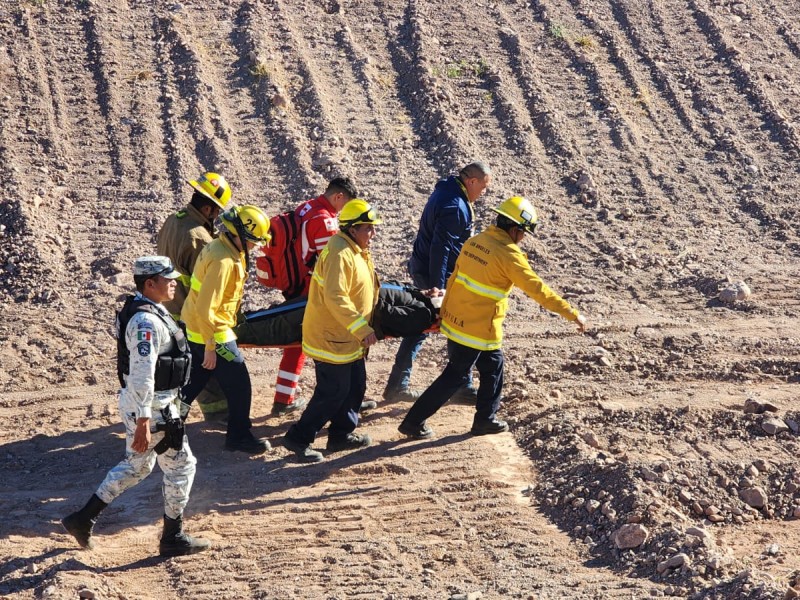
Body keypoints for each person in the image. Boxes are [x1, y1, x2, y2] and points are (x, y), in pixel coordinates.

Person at [398, 196, 587, 439]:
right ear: (515, 229)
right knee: (454, 376)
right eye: (524, 233)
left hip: (459, 319)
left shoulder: (476, 241)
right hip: (477, 327)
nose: (523, 238)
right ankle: (413, 422)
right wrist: (572, 314)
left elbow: (454, 278)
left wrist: (444, 314)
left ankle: (485, 419)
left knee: (493, 365)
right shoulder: (509, 255)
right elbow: (539, 290)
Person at [62, 256, 209, 556]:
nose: (174, 282)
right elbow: (143, 374)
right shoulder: (146, 322)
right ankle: (172, 537)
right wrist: (144, 420)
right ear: (149, 283)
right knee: (182, 467)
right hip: (152, 407)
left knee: (137, 466)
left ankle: (82, 519)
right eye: (167, 278)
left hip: (144, 404)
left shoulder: (147, 311)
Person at [383, 161, 492, 404]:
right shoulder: (455, 205)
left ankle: (455, 384)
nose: (482, 194)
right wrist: (438, 286)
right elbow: (440, 248)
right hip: (434, 274)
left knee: (432, 326)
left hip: (426, 267)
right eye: (483, 188)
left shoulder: (446, 191)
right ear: (472, 181)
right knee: (434, 326)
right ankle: (402, 386)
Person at [282, 199, 382, 463]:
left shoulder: (355, 249)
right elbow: (336, 296)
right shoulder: (339, 253)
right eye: (368, 228)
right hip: (332, 337)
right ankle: (298, 438)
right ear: (352, 229)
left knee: (355, 387)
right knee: (332, 392)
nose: (373, 234)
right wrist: (361, 327)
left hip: (347, 337)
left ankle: (340, 435)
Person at [254, 177, 358, 416]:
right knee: (332, 339)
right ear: (338, 197)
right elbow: (330, 262)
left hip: (296, 284)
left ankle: (284, 397)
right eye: (346, 205)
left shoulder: (308, 207)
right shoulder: (325, 220)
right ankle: (343, 396)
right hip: (312, 289)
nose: (344, 211)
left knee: (298, 344)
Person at [180, 205, 273, 454]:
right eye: (253, 241)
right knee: (240, 385)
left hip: (198, 328)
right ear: (241, 235)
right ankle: (239, 436)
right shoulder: (223, 261)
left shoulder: (222, 246)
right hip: (214, 331)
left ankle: (165, 423)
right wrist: (211, 347)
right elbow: (207, 308)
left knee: (194, 381)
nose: (254, 246)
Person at [157, 172, 232, 421]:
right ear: (209, 208)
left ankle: (213, 410)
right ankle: (214, 413)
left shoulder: (174, 219)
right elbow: (205, 281)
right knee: (206, 363)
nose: (218, 217)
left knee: (193, 364)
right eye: (217, 212)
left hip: (169, 306)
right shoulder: (199, 237)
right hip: (188, 310)